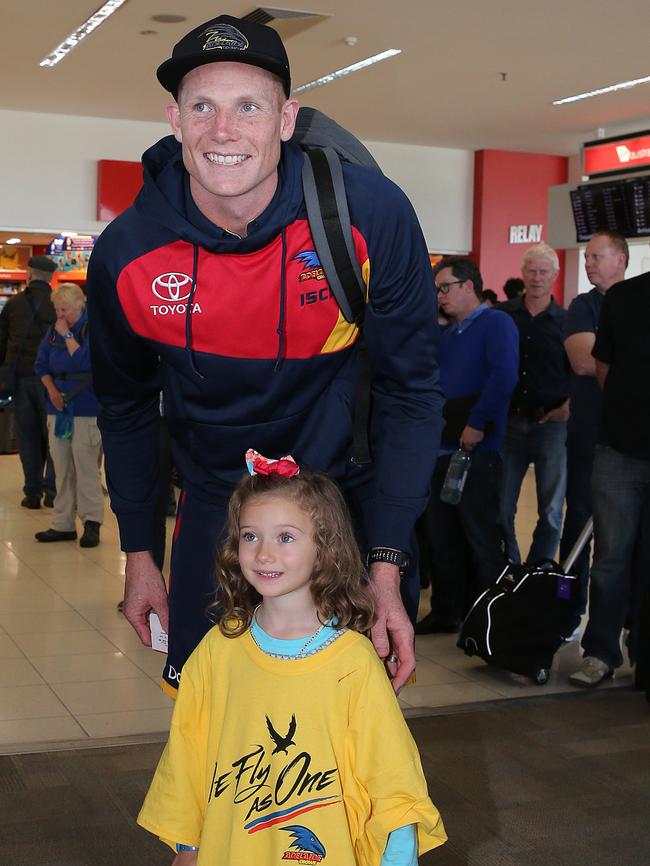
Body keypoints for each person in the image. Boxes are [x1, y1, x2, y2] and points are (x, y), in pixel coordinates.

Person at [86, 14, 443, 695]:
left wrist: (387, 567)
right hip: (215, 504)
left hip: (341, 499)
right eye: (203, 107)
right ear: (175, 119)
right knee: (212, 717)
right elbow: (126, 409)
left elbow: (411, 392)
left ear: (287, 119)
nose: (224, 131)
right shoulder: (128, 254)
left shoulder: (367, 218)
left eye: (249, 106)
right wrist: (139, 554)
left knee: (340, 727)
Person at [137, 454, 447, 865]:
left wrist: (398, 857)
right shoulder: (219, 650)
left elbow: (392, 777)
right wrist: (189, 846)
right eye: (250, 536)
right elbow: (188, 756)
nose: (264, 553)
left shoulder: (352, 661)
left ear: (324, 548)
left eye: (285, 537)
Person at [416, 258, 518, 633]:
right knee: (442, 538)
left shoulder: (496, 323)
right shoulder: (449, 333)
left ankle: (493, 619)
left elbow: (503, 377)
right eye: (437, 290)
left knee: (481, 538)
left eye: (445, 287)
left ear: (469, 286)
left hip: (475, 450)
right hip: (441, 449)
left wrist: (478, 422)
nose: (440, 296)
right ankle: (447, 611)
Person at [570, 265, 650, 687]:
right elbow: (604, 369)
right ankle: (600, 652)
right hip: (619, 449)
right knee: (611, 560)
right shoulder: (624, 296)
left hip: (622, 446)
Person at [559, 231, 628, 608]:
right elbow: (583, 361)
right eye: (586, 257)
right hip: (589, 434)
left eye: (595, 257)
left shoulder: (635, 301)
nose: (587, 264)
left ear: (620, 259)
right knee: (579, 521)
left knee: (624, 535)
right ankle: (569, 609)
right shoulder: (584, 305)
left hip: (629, 438)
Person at [498, 244, 570, 564]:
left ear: (554, 276)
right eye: (532, 271)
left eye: (543, 271)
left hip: (551, 426)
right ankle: (510, 570)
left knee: (552, 510)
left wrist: (571, 405)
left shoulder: (567, 321)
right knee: (500, 508)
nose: (537, 277)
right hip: (508, 423)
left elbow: (581, 370)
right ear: (522, 274)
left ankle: (537, 572)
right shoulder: (502, 316)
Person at [34, 282, 104, 547]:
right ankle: (62, 523)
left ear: (79, 306)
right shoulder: (52, 333)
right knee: (61, 469)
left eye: (65, 309)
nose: (60, 315)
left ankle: (91, 522)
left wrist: (66, 335)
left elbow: (86, 361)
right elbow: (40, 364)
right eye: (57, 309)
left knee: (86, 469)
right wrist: (51, 390)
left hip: (86, 409)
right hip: (58, 408)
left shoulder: (89, 329)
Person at [0, 255, 56, 508]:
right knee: (55, 436)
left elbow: (1, 343)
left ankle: (32, 492)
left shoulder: (14, 304)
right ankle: (53, 491)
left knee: (28, 436)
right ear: (51, 277)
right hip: (54, 381)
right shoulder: (60, 303)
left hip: (21, 378)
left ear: (29, 275)